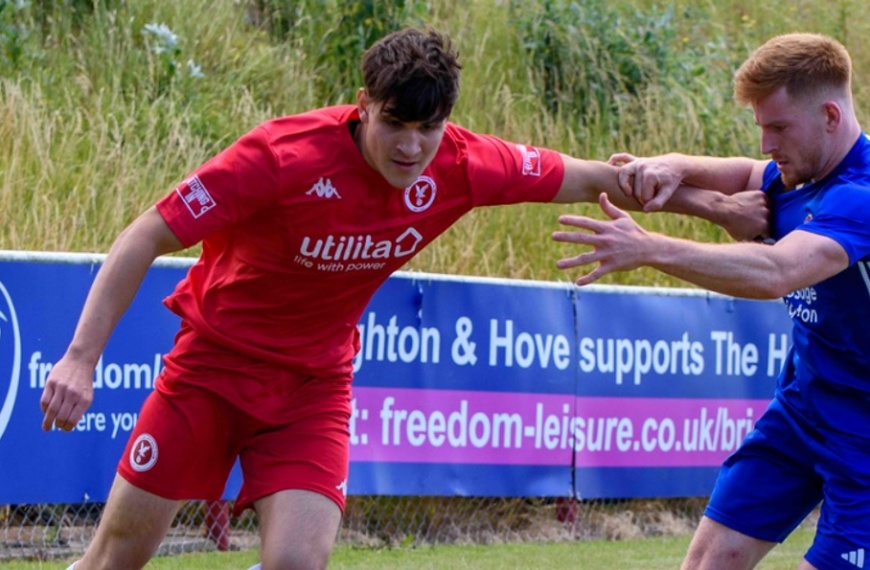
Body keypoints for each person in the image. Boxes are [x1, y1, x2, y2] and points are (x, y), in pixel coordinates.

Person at [40, 27, 765, 570]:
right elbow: (145, 235)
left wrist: (717, 208)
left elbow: (592, 177)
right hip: (212, 371)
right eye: (395, 124)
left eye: (429, 128)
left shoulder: (465, 164)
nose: (411, 147)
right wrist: (80, 357)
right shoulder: (278, 157)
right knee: (116, 560)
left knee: (298, 563)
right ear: (363, 108)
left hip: (311, 387)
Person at [552, 32, 870, 570]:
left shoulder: (859, 197)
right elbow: (747, 176)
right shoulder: (800, 172)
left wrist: (647, 248)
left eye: (778, 128)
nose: (767, 143)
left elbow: (777, 271)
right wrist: (673, 164)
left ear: (831, 117)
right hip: (801, 414)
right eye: (761, 127)